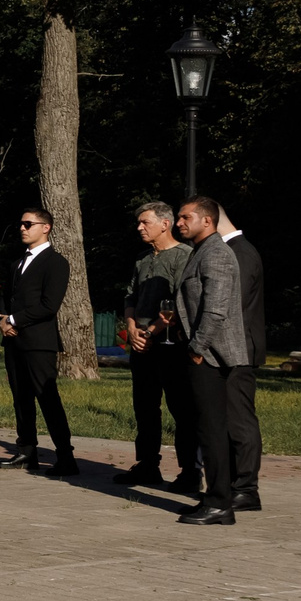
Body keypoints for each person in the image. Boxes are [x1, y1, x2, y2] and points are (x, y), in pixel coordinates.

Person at [173, 197, 247, 525]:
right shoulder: (200, 252)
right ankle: (215, 498)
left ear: (207, 220)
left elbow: (216, 309)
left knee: (212, 429)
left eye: (185, 217)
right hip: (203, 353)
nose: (179, 223)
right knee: (207, 428)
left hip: (211, 356)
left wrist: (197, 348)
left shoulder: (216, 253)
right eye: (178, 217)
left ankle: (219, 504)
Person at [115, 201, 195, 492]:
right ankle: (147, 464)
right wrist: (131, 328)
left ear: (165, 224)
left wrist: (151, 332)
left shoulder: (184, 256)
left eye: (145, 222)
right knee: (145, 407)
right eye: (138, 222)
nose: (139, 227)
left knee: (181, 408)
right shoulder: (142, 258)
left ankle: (190, 471)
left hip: (170, 344)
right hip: (141, 344)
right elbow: (130, 297)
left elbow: (181, 302)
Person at [0, 206, 75, 476]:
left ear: (45, 227)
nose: (22, 228)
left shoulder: (56, 262)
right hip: (13, 341)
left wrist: (14, 320)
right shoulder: (17, 262)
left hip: (39, 342)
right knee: (21, 398)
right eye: (21, 224)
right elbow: (5, 295)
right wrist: (2, 319)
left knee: (47, 398)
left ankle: (65, 456)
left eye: (28, 224)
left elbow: (49, 305)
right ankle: (26, 451)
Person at [216, 205, 266, 512]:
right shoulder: (231, 251)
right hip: (228, 348)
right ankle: (233, 483)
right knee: (227, 418)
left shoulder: (241, 252)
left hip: (239, 348)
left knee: (240, 420)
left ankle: (247, 488)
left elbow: (234, 301)